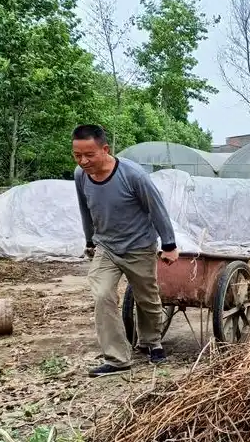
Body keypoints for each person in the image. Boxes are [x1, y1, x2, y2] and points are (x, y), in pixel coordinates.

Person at [73, 124, 179, 377]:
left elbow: (157, 209)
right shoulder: (80, 174)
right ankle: (118, 358)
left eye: (89, 155)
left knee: (147, 298)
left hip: (139, 246)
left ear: (105, 149)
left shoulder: (133, 175)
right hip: (106, 246)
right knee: (102, 296)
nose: (84, 161)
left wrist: (169, 244)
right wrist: (90, 241)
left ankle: (152, 342)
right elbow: (85, 209)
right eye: (78, 155)